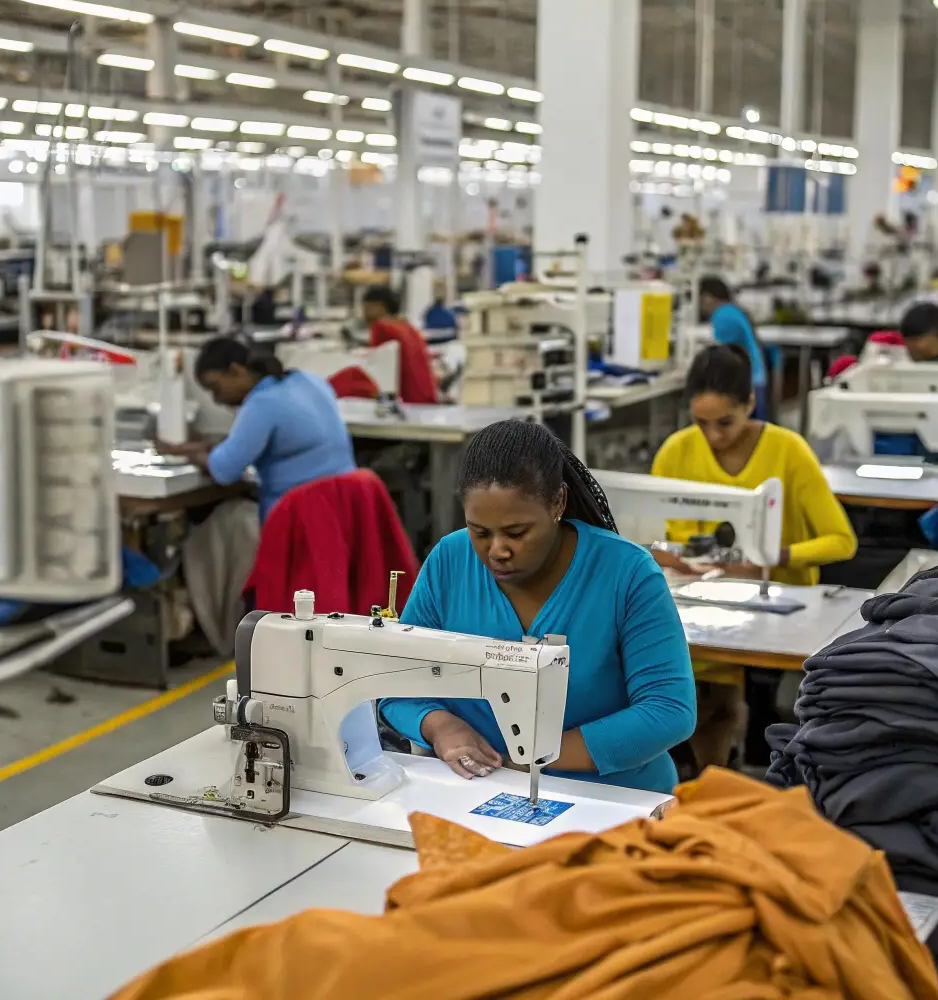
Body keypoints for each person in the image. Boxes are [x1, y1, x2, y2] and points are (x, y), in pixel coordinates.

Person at [378, 420, 695, 793]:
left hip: (617, 797)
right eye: (479, 532)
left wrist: (534, 757)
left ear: (558, 502)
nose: (497, 550)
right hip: (481, 791)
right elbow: (396, 682)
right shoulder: (450, 560)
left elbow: (669, 710)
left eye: (516, 532)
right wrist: (441, 726)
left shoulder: (626, 573)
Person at [648, 345, 856, 769]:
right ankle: (705, 775)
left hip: (780, 608)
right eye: (701, 423)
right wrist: (667, 556)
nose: (713, 436)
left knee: (739, 700)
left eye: (725, 422)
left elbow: (841, 541)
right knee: (675, 679)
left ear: (751, 403)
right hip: (701, 599)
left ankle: (744, 767)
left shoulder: (788, 451)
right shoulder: (676, 452)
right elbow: (652, 534)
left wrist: (770, 558)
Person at [172, 338, 355, 519]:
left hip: (302, 518)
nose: (217, 400)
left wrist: (190, 454)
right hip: (344, 506)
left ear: (237, 371)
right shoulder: (308, 380)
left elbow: (224, 471)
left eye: (216, 387)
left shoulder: (262, 402)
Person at [361, 285, 440, 405]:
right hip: (427, 398)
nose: (364, 314)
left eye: (366, 308)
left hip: (408, 401)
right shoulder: (409, 327)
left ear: (380, 306)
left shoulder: (381, 327)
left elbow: (375, 369)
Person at [698, 276, 767, 408]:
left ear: (707, 297)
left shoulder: (723, 316)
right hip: (752, 381)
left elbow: (721, 355)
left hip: (745, 385)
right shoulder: (732, 311)